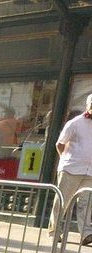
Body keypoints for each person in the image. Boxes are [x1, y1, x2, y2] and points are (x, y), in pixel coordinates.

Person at [52, 93, 92, 244]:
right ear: (88, 107)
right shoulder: (75, 123)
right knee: (63, 200)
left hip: (90, 171)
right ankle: (55, 231)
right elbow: (60, 143)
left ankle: (86, 233)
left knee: (86, 203)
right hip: (71, 169)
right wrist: (66, 159)